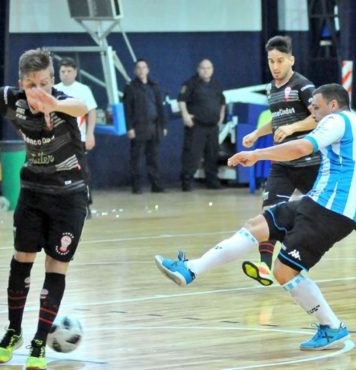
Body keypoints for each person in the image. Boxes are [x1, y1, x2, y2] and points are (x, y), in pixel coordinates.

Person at [155, 83, 355, 351]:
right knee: (257, 225)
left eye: (316, 107)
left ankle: (331, 326)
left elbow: (300, 149)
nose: (312, 112)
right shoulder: (349, 122)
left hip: (329, 210)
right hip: (316, 201)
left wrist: (256, 154)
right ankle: (191, 269)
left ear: (332, 105)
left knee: (284, 271)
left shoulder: (336, 120)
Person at [0, 48, 89, 369]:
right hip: (33, 193)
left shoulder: (64, 104)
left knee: (55, 265)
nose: (37, 91)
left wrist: (54, 104)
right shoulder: (13, 100)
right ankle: (14, 331)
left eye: (44, 83)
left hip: (69, 198)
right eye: (31, 84)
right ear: (21, 83)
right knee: (22, 258)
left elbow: (81, 106)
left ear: (52, 81)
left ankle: (40, 339)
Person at [240, 36, 320, 286]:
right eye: (271, 61)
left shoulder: (304, 86)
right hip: (282, 165)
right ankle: (264, 266)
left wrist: (293, 127)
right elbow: (276, 119)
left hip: (309, 164)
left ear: (291, 60)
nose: (275, 66)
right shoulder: (271, 89)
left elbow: (317, 118)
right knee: (268, 212)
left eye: (280, 60)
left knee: (336, 211)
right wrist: (256, 133)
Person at [54, 57, 97, 217]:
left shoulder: (83, 90)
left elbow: (91, 111)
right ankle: (62, 205)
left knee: (81, 171)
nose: (65, 74)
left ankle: (85, 205)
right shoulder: (53, 89)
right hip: (59, 139)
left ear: (75, 72)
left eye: (68, 71)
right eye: (62, 71)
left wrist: (90, 133)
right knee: (59, 172)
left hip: (79, 138)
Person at [178, 58, 226, 191]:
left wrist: (221, 117)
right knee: (192, 155)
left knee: (212, 155)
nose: (206, 71)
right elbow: (181, 100)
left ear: (212, 70)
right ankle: (186, 182)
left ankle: (212, 181)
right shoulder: (190, 84)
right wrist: (185, 115)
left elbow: (222, 102)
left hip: (212, 126)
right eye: (203, 68)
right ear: (198, 69)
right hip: (196, 126)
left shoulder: (216, 84)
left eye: (208, 68)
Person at [123, 59, 167, 194]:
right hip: (138, 128)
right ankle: (137, 187)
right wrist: (129, 128)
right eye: (139, 68)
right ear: (135, 71)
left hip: (154, 127)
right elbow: (127, 109)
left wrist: (163, 125)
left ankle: (156, 185)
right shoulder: (130, 87)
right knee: (136, 159)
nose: (141, 70)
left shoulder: (155, 86)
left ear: (148, 70)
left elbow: (160, 107)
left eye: (144, 67)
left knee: (154, 158)